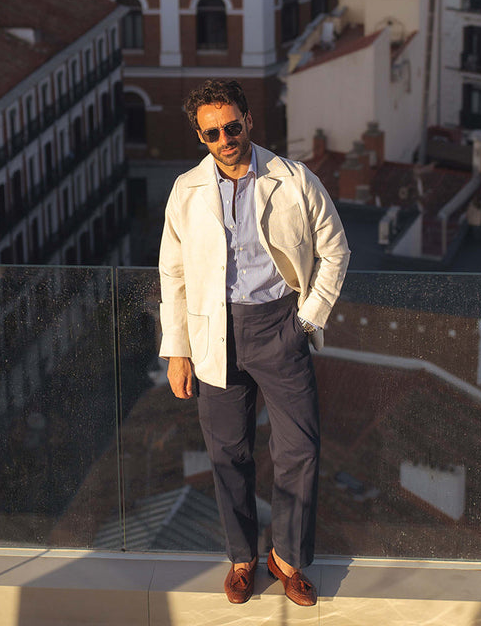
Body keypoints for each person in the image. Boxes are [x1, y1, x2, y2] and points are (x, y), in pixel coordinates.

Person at [158, 79, 349, 607]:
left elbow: (335, 251)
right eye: (212, 132)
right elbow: (171, 273)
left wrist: (306, 321)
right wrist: (177, 349)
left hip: (279, 327)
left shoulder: (294, 180)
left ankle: (286, 559)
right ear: (201, 136)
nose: (225, 138)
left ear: (248, 120)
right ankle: (241, 558)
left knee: (300, 447)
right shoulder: (186, 190)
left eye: (232, 125)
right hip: (212, 332)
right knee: (228, 452)